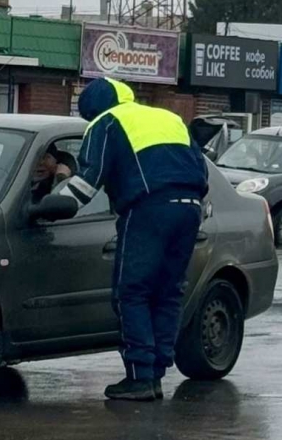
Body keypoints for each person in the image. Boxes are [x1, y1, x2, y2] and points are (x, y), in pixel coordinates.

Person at [58, 78, 209, 402]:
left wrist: (55, 203)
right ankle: (155, 376)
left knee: (132, 292)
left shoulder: (106, 123)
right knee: (168, 292)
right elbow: (200, 168)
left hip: (148, 210)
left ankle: (139, 378)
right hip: (190, 208)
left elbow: (88, 179)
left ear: (91, 110)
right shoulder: (168, 118)